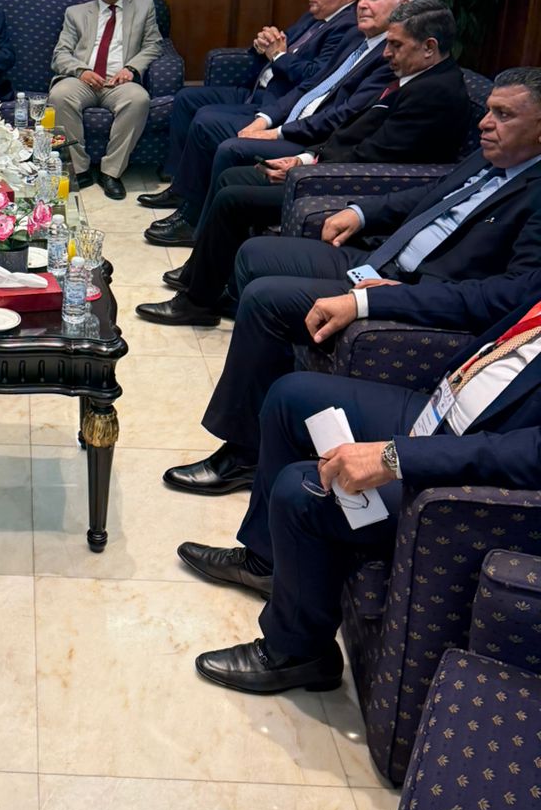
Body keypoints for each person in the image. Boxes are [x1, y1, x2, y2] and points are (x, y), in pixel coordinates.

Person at [162, 68, 541, 496]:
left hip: (414, 291)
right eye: (488, 110)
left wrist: (400, 297)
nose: (485, 123)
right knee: (255, 255)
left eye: (503, 115)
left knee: (267, 299)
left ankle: (243, 454)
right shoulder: (494, 156)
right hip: (381, 258)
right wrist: (362, 213)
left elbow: (510, 297)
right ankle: (256, 369)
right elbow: (430, 194)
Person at [180, 267, 541, 695]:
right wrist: (365, 301)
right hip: (439, 411)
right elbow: (480, 296)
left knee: (303, 490)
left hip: (476, 469)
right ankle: (266, 564)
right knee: (290, 397)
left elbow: (531, 452)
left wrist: (397, 457)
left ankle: (298, 653)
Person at [137, 0, 469, 322]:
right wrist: (305, 157)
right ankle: (207, 282)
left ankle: (196, 303)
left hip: (347, 185)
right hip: (327, 166)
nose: (386, 53)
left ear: (429, 47)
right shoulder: (413, 78)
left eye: (396, 45)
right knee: (231, 178)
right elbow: (352, 131)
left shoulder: (435, 93)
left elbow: (378, 156)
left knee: (233, 199)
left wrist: (308, 168)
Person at [141, 0, 362, 229]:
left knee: (206, 120)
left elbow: (314, 77)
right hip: (256, 88)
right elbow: (277, 47)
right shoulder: (314, 17)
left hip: (277, 102)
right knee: (187, 98)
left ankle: (192, 210)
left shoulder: (347, 27)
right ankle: (179, 183)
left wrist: (278, 55)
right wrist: (261, 46)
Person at [46, 0, 163, 200]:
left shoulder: (144, 7)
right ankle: (79, 170)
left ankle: (111, 172)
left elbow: (154, 45)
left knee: (139, 99)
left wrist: (131, 69)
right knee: (59, 96)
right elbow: (60, 54)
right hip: (83, 80)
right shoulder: (76, 13)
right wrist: (82, 71)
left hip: (119, 82)